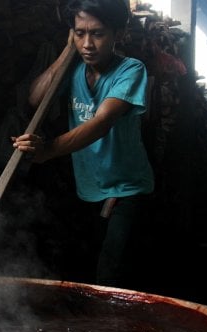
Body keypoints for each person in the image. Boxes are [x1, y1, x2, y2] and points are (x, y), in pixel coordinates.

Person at [12, 0, 154, 289]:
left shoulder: (131, 70)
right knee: (82, 273)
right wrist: (67, 52)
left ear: (119, 33)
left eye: (98, 34)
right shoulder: (75, 67)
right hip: (87, 189)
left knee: (111, 276)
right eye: (79, 33)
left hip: (126, 189)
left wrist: (48, 150)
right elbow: (36, 98)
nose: (87, 43)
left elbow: (101, 122)